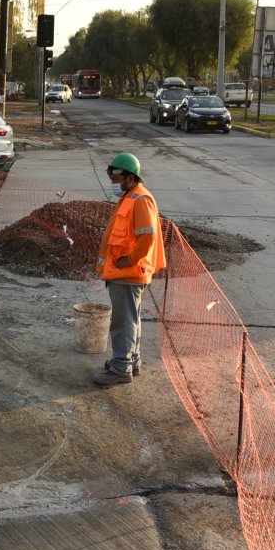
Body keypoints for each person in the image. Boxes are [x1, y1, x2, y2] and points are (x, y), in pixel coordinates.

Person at [93, 153, 166, 386]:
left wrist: (129, 260)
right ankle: (130, 361)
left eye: (117, 179)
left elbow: (147, 237)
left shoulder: (140, 199)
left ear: (130, 177)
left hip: (129, 273)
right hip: (123, 273)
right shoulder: (130, 197)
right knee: (130, 319)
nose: (114, 184)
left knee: (123, 322)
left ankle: (120, 368)